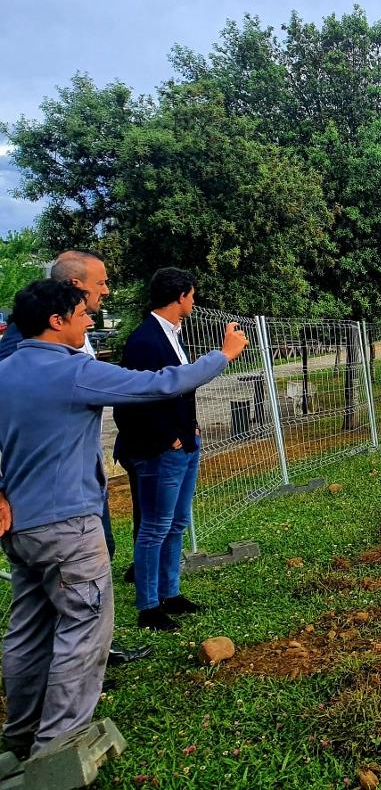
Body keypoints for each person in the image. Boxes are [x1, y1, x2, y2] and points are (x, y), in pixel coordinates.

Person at [0, 279, 247, 758]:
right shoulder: (73, 371)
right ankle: (58, 749)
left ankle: (21, 736)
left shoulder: (4, 371)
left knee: (28, 632)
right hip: (71, 527)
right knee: (83, 630)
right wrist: (224, 355)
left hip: (21, 530)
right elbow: (160, 384)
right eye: (82, 313)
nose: (90, 320)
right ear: (57, 321)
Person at [0, 251, 150, 667]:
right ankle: (67, 711)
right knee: (60, 611)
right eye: (100, 283)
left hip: (77, 490)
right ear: (74, 288)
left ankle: (85, 659)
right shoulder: (20, 343)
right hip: (50, 506)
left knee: (80, 589)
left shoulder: (71, 335)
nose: (105, 291)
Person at [112, 268, 207, 631]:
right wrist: (170, 437)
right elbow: (135, 399)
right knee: (155, 526)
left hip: (184, 443)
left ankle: (171, 592)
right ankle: (149, 607)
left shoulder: (171, 335)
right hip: (159, 450)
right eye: (192, 295)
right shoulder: (145, 340)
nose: (194, 302)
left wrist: (190, 429)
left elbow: (178, 389)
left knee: (177, 521)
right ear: (180, 296)